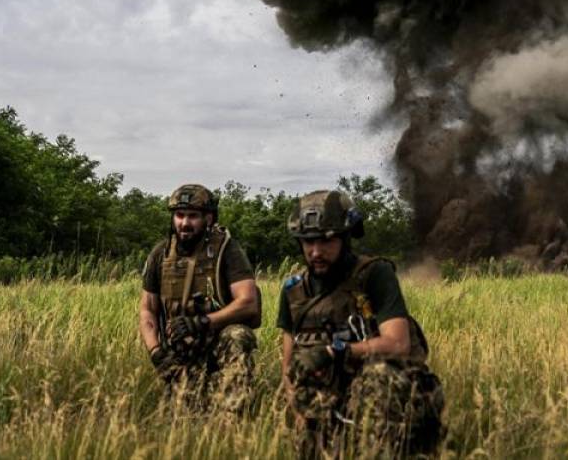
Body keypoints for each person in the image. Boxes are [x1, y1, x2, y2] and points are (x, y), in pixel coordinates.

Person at [279, 190, 444, 457]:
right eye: (308, 242)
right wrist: (299, 412)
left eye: (326, 240)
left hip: (384, 398)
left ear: (346, 238)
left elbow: (398, 343)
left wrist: (337, 350)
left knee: (378, 379)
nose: (316, 251)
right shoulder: (294, 291)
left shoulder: (374, 275)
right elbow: (288, 366)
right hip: (327, 401)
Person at [138, 183, 261, 414]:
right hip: (182, 347)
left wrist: (202, 322)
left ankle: (232, 417)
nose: (184, 223)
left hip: (217, 341)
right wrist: (156, 353)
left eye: (193, 216)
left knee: (237, 335)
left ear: (209, 218)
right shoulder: (160, 254)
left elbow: (248, 302)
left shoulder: (227, 250)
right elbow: (148, 309)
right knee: (180, 419)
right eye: (179, 215)